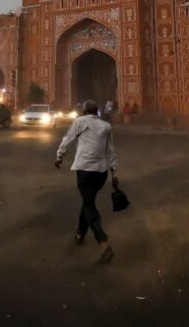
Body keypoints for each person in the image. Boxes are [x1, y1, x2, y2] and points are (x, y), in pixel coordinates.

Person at [55, 100, 118, 264]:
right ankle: (80, 234)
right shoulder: (106, 126)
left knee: (90, 206)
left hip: (85, 171)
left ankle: (104, 244)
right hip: (101, 173)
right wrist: (114, 173)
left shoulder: (79, 122)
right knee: (87, 201)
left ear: (83, 112)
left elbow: (67, 139)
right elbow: (111, 151)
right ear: (97, 112)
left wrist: (59, 156)